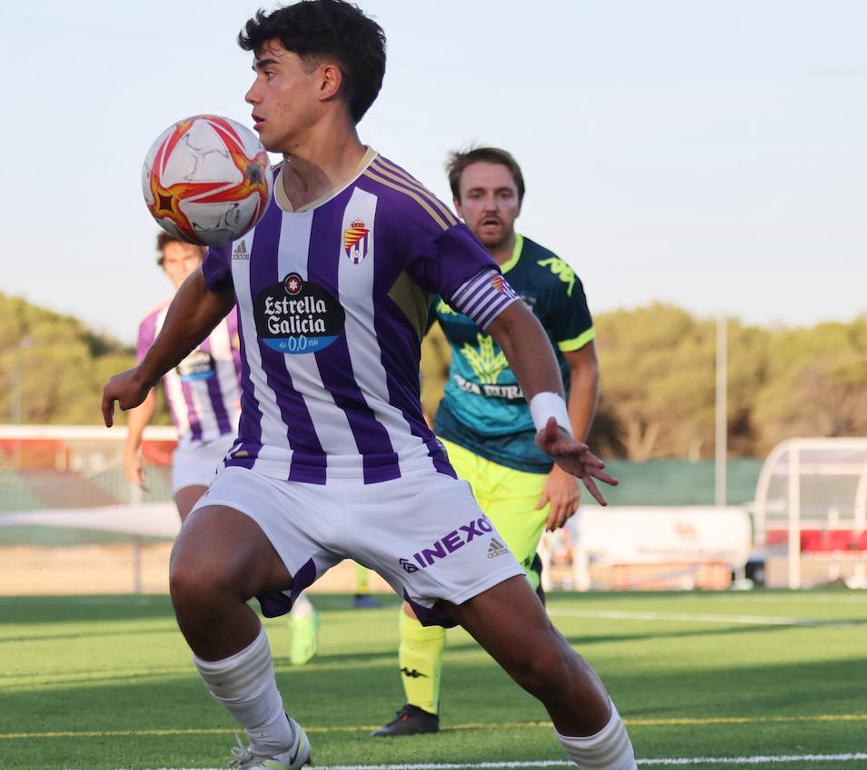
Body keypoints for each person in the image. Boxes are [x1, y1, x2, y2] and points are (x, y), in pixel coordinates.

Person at [101, 2, 636, 768]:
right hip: (275, 468)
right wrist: (143, 372)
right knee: (197, 574)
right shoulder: (244, 204)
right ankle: (275, 745)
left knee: (540, 663)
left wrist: (549, 413)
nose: (250, 95)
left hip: (398, 479)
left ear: (326, 81)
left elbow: (516, 321)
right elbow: (211, 289)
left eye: (267, 71)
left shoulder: (402, 210)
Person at [374, 147, 601, 737]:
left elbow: (586, 368)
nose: (490, 206)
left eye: (502, 194)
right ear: (457, 203)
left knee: (508, 593)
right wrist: (413, 409)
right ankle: (418, 710)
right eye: (476, 195)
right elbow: (400, 336)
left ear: (519, 201)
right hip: (453, 445)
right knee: (420, 568)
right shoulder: (439, 266)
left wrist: (565, 466)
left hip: (531, 460)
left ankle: (566, 693)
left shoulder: (553, 279)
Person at [124, 232, 321, 664]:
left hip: (240, 437)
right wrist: (130, 446)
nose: (179, 266)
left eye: (187, 257)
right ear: (163, 266)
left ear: (201, 257)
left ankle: (299, 609)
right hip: (192, 446)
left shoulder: (231, 311)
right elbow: (148, 386)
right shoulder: (151, 325)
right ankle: (254, 630)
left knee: (247, 537)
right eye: (171, 260)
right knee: (197, 541)